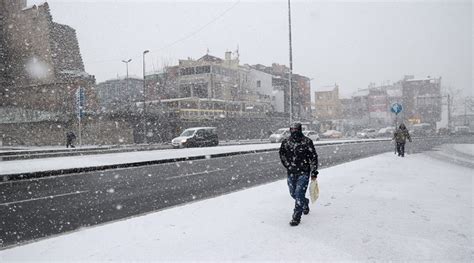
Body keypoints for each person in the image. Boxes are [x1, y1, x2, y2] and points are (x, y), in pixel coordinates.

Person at [279, 122, 319, 226]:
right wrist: (288, 165)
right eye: (292, 129)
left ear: (300, 130)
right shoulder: (286, 142)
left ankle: (296, 216)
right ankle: (305, 202)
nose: (294, 131)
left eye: (296, 129)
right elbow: (282, 155)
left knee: (299, 193)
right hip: (291, 172)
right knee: (293, 193)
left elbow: (313, 157)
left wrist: (314, 171)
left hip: (304, 172)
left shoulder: (307, 142)